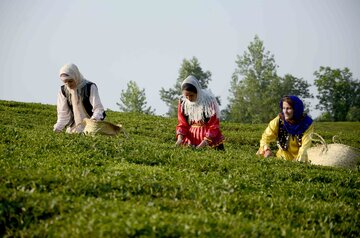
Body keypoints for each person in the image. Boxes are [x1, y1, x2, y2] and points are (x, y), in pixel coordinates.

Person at [257, 95, 314, 162]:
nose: (285, 111)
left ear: (296, 109)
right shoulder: (279, 120)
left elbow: (305, 147)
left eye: (289, 108)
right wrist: (267, 149)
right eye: (284, 108)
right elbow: (266, 137)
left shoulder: (306, 124)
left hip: (301, 160)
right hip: (282, 159)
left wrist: (298, 163)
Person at [53, 63, 106, 133]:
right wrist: (57, 129)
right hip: (74, 128)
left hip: (92, 127)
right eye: (65, 82)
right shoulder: (63, 91)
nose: (68, 84)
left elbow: (98, 109)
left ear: (76, 76)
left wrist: (91, 124)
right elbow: (63, 115)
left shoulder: (89, 87)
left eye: (70, 81)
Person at [175, 75, 224, 150]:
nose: (189, 98)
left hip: (209, 139)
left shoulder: (208, 101)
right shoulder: (183, 103)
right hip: (191, 138)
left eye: (191, 95)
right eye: (186, 96)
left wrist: (203, 143)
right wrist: (179, 139)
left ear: (197, 92)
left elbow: (214, 125)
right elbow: (182, 124)